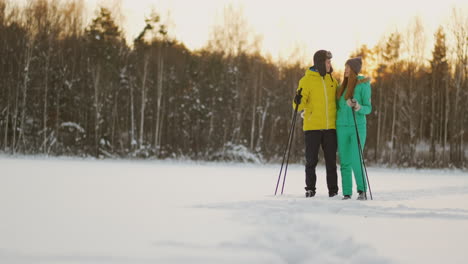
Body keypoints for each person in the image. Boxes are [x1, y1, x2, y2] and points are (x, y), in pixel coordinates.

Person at [293, 50, 339, 198]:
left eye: (330, 61)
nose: (330, 64)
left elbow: (338, 102)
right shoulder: (306, 80)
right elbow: (298, 107)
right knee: (311, 160)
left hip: (330, 127)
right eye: (327, 61)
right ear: (320, 62)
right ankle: (310, 189)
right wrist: (297, 100)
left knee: (331, 161)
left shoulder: (332, 81)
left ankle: (333, 191)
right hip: (312, 127)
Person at [335, 57, 372, 200]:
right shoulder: (341, 87)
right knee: (344, 161)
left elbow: (368, 108)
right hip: (341, 127)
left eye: (348, 68)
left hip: (357, 126)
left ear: (354, 70)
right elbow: (336, 107)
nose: (345, 70)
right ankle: (346, 193)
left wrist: (357, 106)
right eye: (345, 67)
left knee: (356, 158)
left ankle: (362, 190)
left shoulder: (363, 85)